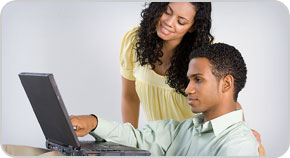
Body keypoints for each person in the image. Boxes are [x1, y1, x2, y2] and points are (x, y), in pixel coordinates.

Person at [70, 43, 259, 156]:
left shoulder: (239, 146)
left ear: (226, 84)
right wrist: (93, 123)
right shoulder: (183, 129)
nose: (187, 89)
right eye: (189, 80)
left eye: (198, 80)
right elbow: (137, 139)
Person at [120, 2, 215, 128]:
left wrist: (242, 135)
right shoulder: (134, 41)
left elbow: (227, 104)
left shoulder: (208, 54)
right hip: (155, 143)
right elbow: (130, 97)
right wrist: (129, 141)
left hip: (197, 143)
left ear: (193, 27)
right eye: (166, 11)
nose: (169, 23)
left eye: (181, 22)